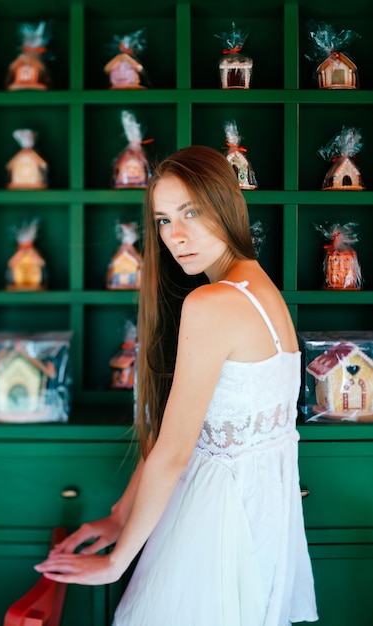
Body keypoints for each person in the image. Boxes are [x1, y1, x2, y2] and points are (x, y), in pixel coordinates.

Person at [35, 145, 318, 625]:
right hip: (254, 525)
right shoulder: (260, 290)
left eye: (191, 212)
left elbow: (174, 450)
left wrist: (116, 561)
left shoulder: (213, 302)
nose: (176, 235)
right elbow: (191, 432)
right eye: (164, 220)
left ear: (226, 206)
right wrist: (122, 514)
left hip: (217, 528)